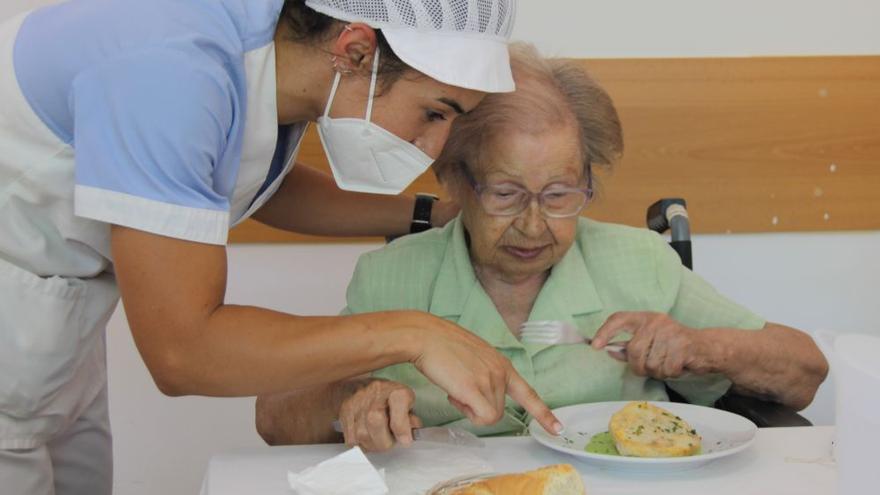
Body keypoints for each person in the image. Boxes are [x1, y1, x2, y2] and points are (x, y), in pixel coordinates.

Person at [0, 1, 563, 493]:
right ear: (356, 50)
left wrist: (433, 216)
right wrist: (414, 334)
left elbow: (236, 176)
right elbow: (183, 352)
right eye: (435, 112)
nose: (435, 144)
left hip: (52, 322)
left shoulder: (269, 49)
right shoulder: (173, 69)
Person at [255, 44, 829, 451]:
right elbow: (275, 420)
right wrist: (352, 398)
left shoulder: (638, 263)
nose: (535, 226)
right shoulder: (391, 278)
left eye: (560, 194)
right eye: (506, 194)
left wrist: (705, 347)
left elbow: (805, 373)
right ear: (458, 185)